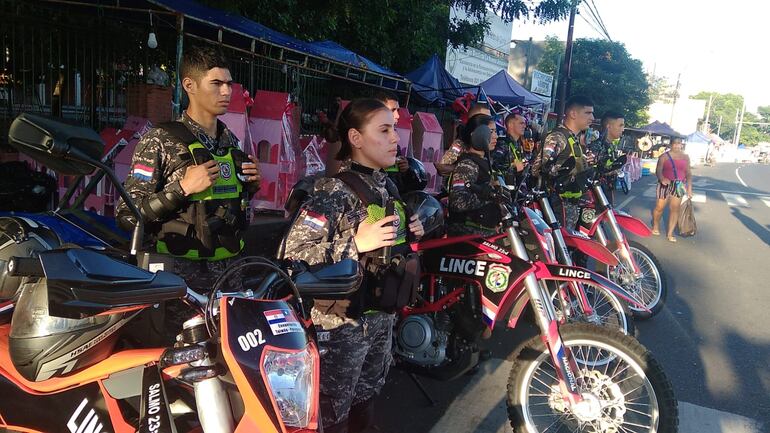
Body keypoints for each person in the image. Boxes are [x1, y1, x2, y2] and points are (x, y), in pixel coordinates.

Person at [281, 98, 424, 433]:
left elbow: (390, 246)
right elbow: (292, 256)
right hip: (342, 326)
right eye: (384, 130)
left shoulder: (386, 185)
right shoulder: (332, 192)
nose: (395, 139)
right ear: (356, 138)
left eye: (395, 129)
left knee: (366, 404)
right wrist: (356, 244)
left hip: (380, 319)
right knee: (332, 414)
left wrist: (410, 227)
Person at [116, 45, 261, 292]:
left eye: (229, 83)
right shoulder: (160, 140)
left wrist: (251, 186)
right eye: (216, 83)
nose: (226, 91)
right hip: (180, 283)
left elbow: (236, 210)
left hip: (230, 277)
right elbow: (127, 216)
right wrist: (181, 189)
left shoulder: (231, 143)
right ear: (189, 85)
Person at [532, 95, 596, 231]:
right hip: (557, 206)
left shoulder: (573, 138)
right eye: (588, 113)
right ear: (573, 113)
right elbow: (537, 169)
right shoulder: (557, 137)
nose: (592, 118)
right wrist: (568, 168)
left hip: (572, 204)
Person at [447, 114, 501, 236]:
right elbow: (457, 202)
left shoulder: (487, 163)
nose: (496, 136)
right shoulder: (468, 165)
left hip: (488, 233)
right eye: (490, 131)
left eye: (495, 131)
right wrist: (486, 196)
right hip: (470, 237)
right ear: (476, 134)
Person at [652, 137, 692, 242]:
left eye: (679, 143)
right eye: (675, 143)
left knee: (675, 209)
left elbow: (688, 173)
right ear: (670, 145)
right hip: (664, 184)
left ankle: (670, 233)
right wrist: (661, 178)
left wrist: (689, 188)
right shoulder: (664, 157)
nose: (677, 146)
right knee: (659, 207)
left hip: (679, 185)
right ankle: (656, 225)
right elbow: (658, 171)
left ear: (682, 145)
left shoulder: (685, 157)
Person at [435, 103, 491, 178]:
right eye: (483, 118)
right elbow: (442, 167)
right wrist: (466, 168)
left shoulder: (492, 141)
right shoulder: (460, 144)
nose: (489, 122)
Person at [589, 111, 626, 205]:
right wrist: (612, 170)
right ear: (609, 126)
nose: (623, 129)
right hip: (596, 194)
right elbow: (591, 172)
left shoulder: (611, 145)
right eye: (620, 125)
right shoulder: (598, 145)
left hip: (607, 189)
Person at [491, 112, 527, 185]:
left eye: (524, 124)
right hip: (504, 191)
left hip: (516, 190)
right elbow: (493, 170)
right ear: (510, 125)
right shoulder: (502, 144)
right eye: (521, 123)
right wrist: (514, 168)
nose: (524, 126)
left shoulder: (518, 145)